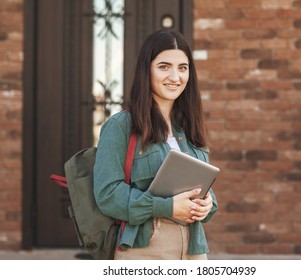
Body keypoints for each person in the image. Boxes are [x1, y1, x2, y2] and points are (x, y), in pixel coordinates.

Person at [93, 29, 218, 260]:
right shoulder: (121, 126)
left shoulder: (191, 127)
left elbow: (206, 191)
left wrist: (208, 204)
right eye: (164, 66)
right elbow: (107, 195)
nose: (175, 76)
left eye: (183, 68)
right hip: (145, 251)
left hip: (194, 251)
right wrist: (166, 207)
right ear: (146, 70)